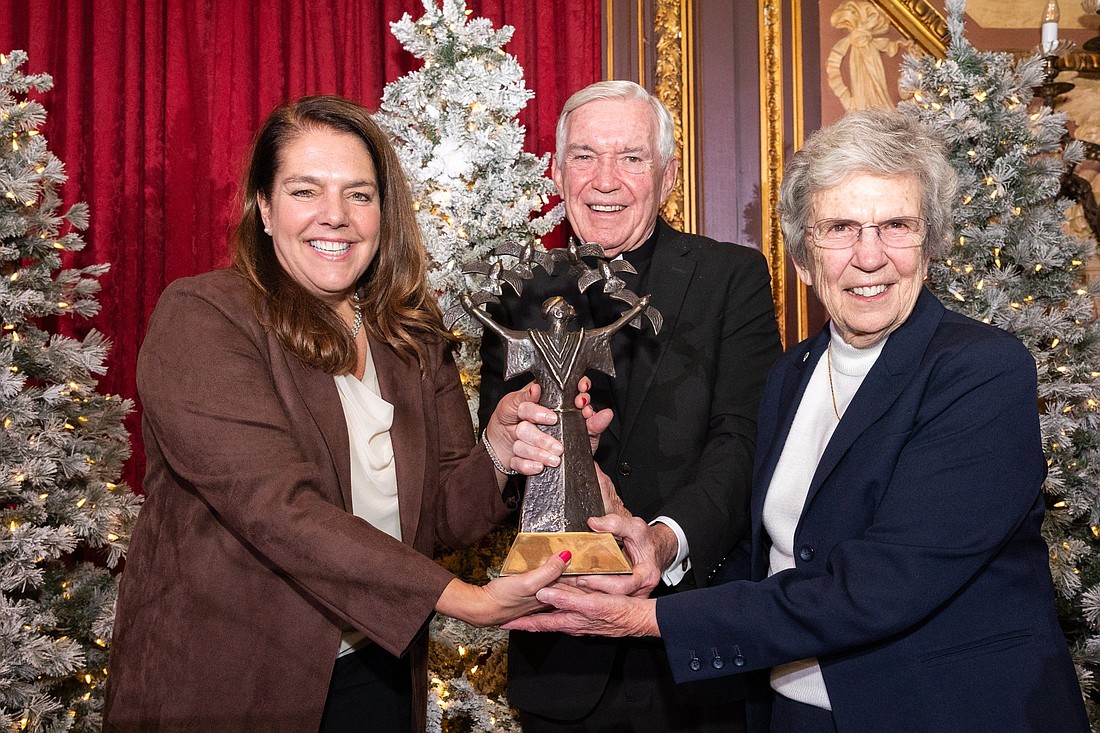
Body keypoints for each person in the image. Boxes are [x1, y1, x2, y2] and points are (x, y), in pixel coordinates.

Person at [507, 108, 1090, 732]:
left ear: (931, 244)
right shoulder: (793, 373)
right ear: (805, 254)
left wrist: (651, 619)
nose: (869, 256)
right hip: (791, 712)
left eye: (896, 225)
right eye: (840, 227)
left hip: (942, 710)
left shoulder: (982, 371)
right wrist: (656, 541)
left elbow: (882, 584)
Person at [102, 95, 597, 733]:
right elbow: (278, 508)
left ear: (382, 213)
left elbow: (445, 513)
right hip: (231, 678)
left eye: (359, 195)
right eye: (306, 190)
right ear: (264, 206)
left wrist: (500, 448)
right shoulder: (204, 317)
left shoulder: (410, 335)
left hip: (378, 668)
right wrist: (465, 602)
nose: (335, 216)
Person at [479, 81, 782, 732]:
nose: (604, 179)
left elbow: (745, 440)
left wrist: (666, 539)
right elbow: (492, 477)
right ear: (557, 174)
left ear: (668, 174)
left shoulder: (733, 277)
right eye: (584, 156)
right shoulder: (518, 292)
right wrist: (515, 449)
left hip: (694, 655)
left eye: (632, 157)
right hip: (561, 663)